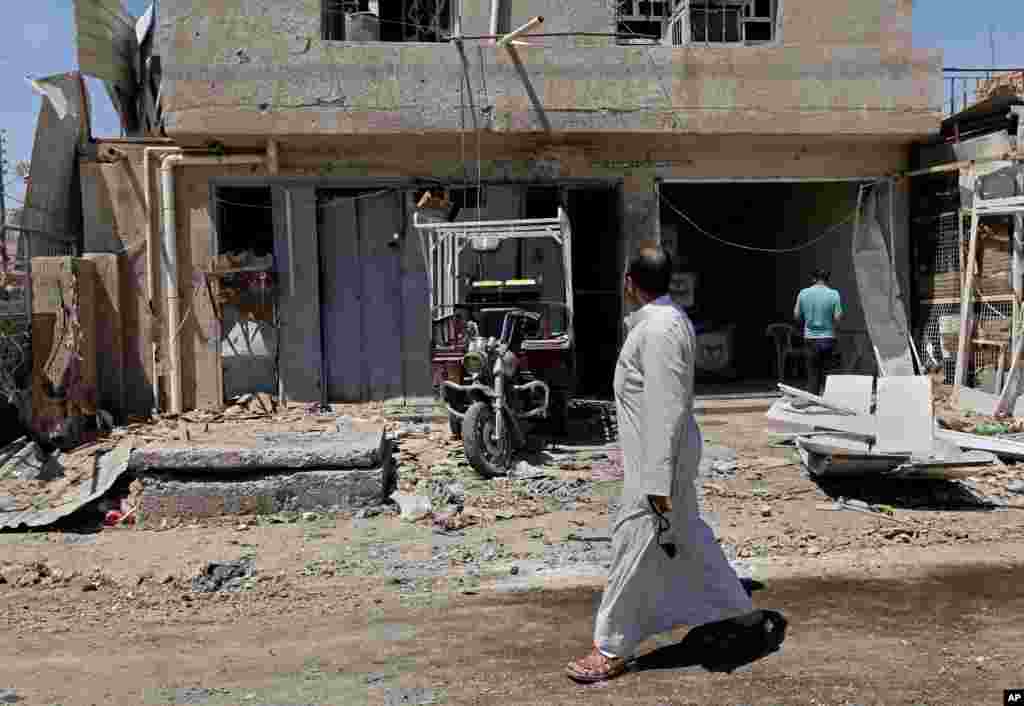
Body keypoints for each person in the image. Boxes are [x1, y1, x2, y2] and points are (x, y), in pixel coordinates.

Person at [566, 246, 781, 684]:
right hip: (662, 461)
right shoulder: (663, 322)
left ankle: (610, 647)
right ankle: (741, 614)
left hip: (657, 467)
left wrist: (656, 482)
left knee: (635, 546)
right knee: (687, 537)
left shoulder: (660, 330)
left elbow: (666, 409)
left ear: (630, 282)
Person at [793, 269, 844, 396]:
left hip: (810, 337)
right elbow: (838, 317)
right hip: (828, 338)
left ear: (813, 279)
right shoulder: (833, 294)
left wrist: (806, 321)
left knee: (813, 373)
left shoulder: (803, 293)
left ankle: (813, 402)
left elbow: (796, 315)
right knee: (827, 373)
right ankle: (829, 401)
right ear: (827, 279)